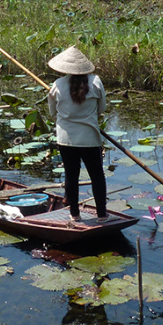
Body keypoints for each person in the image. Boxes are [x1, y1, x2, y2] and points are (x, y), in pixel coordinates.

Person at [47, 46, 108, 222]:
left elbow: (53, 113)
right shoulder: (96, 81)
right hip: (89, 137)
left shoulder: (57, 85)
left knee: (71, 175)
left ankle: (75, 215)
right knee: (97, 175)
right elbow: (101, 108)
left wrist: (66, 119)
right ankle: (102, 215)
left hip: (66, 139)